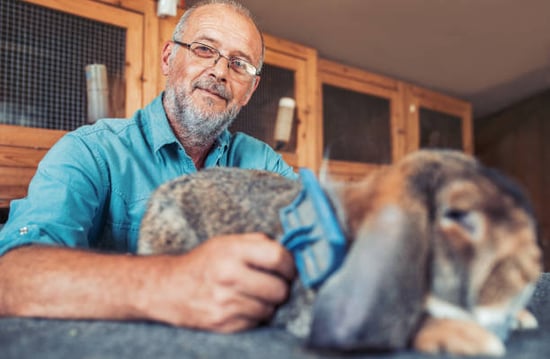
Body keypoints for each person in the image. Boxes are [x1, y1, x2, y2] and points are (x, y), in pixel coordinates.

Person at [0, 0, 297, 333]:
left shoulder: (264, 163)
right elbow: (12, 276)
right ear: (168, 58)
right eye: (203, 49)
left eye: (239, 64)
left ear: (249, 91)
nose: (219, 71)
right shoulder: (90, 151)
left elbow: (316, 238)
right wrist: (172, 283)